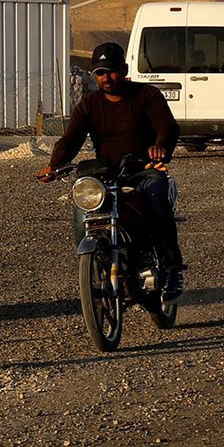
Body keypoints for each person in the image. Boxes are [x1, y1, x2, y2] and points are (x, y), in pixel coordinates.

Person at [39, 41, 185, 299]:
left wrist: (160, 147)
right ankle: (94, 262)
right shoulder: (89, 105)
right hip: (105, 174)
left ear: (124, 69)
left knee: (156, 197)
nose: (106, 77)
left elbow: (167, 126)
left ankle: (172, 269)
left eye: (111, 70)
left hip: (144, 169)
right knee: (82, 206)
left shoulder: (147, 95)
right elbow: (70, 140)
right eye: (100, 72)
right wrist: (55, 164)